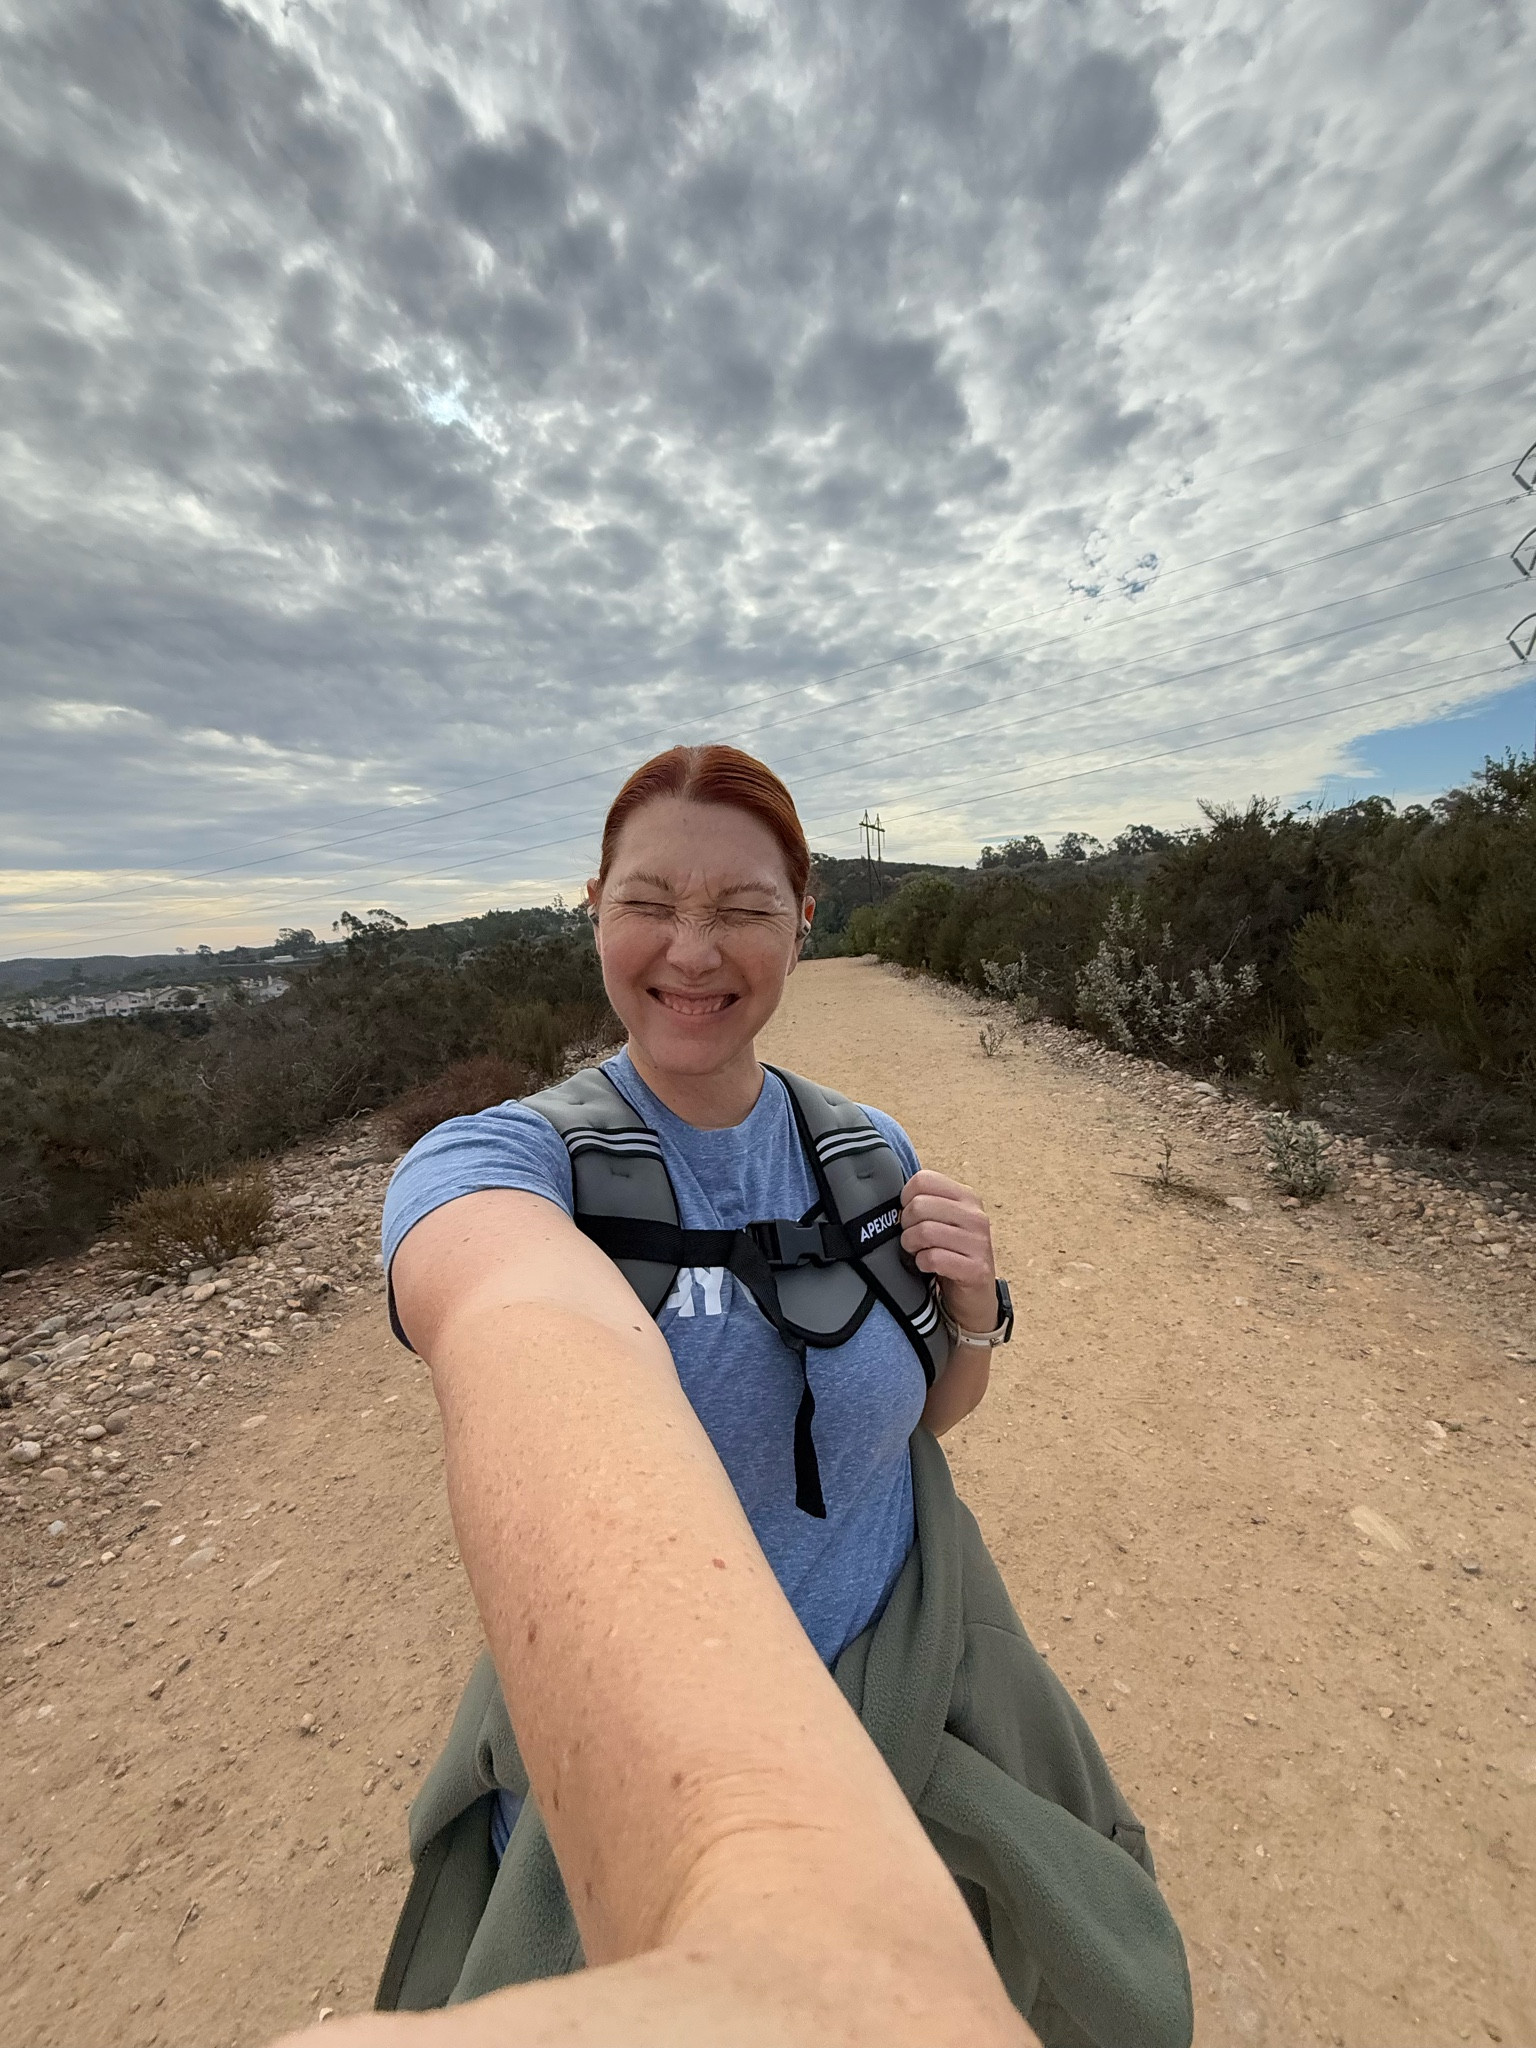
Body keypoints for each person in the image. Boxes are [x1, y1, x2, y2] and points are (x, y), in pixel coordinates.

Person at [343, 746, 1191, 2047]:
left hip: (916, 1674)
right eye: (650, 901)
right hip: (646, 1762)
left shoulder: (867, 1150)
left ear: (803, 919)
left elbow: (911, 1431)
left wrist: (974, 1316)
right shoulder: (500, 1158)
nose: (694, 949)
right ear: (596, 910)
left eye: (742, 907)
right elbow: (511, 1317)